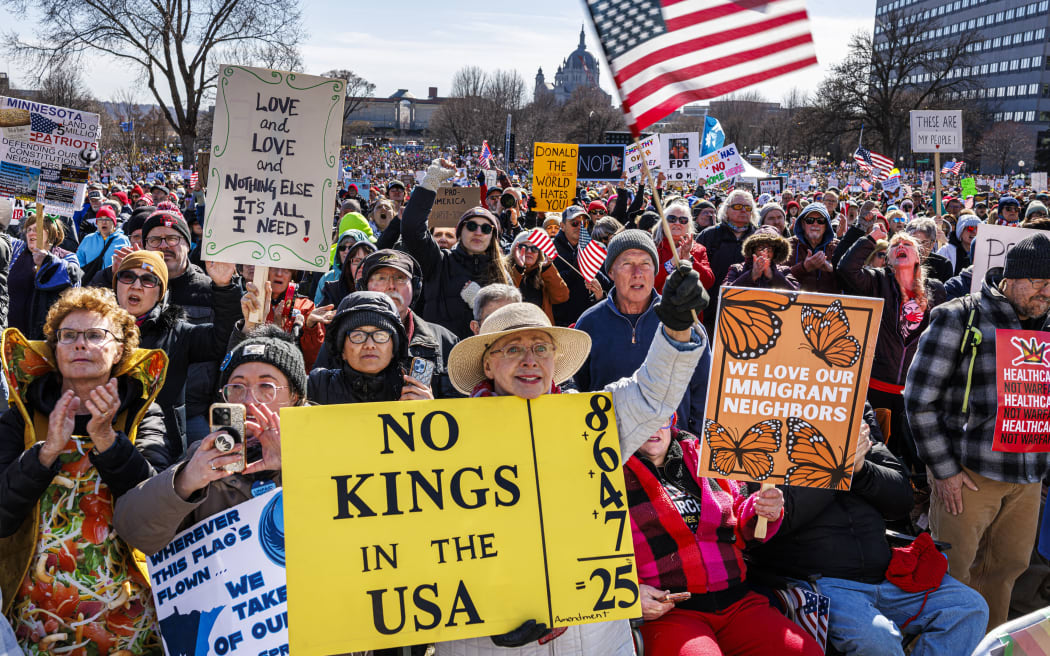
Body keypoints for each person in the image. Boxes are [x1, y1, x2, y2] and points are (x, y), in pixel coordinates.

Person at [435, 259, 708, 655]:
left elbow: (650, 395)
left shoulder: (589, 421)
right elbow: (428, 541)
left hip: (594, 638)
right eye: (513, 349)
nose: (530, 360)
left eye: (541, 348)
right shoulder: (445, 440)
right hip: (488, 640)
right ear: (488, 364)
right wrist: (496, 607)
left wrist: (678, 328)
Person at [0, 286, 170, 654]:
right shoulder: (21, 418)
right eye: (69, 336)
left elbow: (159, 513)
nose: (80, 344)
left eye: (95, 335)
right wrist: (45, 454)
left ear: (120, 349)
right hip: (37, 616)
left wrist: (108, 440)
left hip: (126, 615)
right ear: (54, 349)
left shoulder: (143, 414)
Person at [749, 407, 988, 656]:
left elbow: (902, 502)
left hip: (885, 575)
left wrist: (862, 470)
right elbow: (778, 522)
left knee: (968, 607)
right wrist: (837, 469)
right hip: (818, 584)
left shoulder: (849, 415)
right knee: (878, 638)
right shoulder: (763, 430)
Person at [906, 233, 1050, 631]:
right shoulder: (960, 316)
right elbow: (919, 399)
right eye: (1039, 283)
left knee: (1006, 572)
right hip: (968, 478)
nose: (1046, 294)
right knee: (951, 576)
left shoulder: (1047, 324)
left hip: (1027, 479)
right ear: (1012, 277)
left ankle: (987, 643)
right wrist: (944, 470)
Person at [626, 418, 822, 656]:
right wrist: (629, 594)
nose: (652, 426)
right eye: (642, 417)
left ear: (673, 419)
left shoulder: (706, 455)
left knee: (807, 652)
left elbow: (741, 522)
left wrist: (763, 510)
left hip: (737, 602)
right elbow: (591, 552)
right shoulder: (607, 475)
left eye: (663, 417)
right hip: (671, 612)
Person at [575, 230, 712, 435]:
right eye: (627, 263)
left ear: (655, 271)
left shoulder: (683, 322)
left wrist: (694, 442)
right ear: (611, 272)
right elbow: (578, 391)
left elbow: (703, 389)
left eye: (645, 264)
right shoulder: (589, 323)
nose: (637, 272)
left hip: (670, 452)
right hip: (610, 450)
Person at [839, 222, 945, 472]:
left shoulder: (936, 290)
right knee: (881, 453)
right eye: (896, 245)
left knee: (912, 453)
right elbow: (846, 269)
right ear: (887, 259)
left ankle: (913, 498)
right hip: (877, 386)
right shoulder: (876, 282)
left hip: (914, 390)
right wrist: (870, 239)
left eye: (907, 244)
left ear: (919, 256)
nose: (901, 247)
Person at [113, 250, 240, 457]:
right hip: (106, 440)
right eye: (127, 277)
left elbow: (222, 339)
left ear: (160, 292)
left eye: (148, 280)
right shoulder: (94, 331)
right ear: (116, 284)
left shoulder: (177, 333)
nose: (136, 285)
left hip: (161, 446)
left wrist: (224, 287)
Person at [399, 159, 511, 338]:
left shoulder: (502, 274)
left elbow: (511, 324)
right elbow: (412, 228)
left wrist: (481, 305)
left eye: (486, 228)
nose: (479, 232)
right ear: (460, 232)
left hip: (482, 358)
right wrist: (431, 181)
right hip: (439, 354)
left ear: (493, 237)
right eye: (472, 226)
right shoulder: (440, 262)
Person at [307, 292, 432, 405]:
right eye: (358, 336)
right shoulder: (317, 387)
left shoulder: (411, 391)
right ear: (342, 351)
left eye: (380, 336)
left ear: (394, 349)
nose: (370, 344)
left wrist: (426, 412)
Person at [8, 216, 82, 340]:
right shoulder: (17, 250)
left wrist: (48, 262)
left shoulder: (67, 257)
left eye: (37, 229)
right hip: (11, 332)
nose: (31, 232)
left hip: (45, 337)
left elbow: (74, 282)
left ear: (52, 232)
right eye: (29, 229)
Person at [551, 205, 607, 326]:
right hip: (562, 322)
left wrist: (592, 270)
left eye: (584, 223)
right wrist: (577, 266)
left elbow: (609, 285)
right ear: (562, 226)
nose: (580, 227)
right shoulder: (551, 250)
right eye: (575, 223)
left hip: (591, 319)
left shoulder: (597, 248)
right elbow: (550, 285)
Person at [655, 199, 715, 296]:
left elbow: (708, 282)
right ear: (663, 224)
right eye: (672, 219)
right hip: (659, 307)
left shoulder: (699, 249)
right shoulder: (653, 247)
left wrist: (689, 258)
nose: (677, 223)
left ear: (689, 226)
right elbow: (648, 282)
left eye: (683, 220)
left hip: (690, 308)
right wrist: (671, 263)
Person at [506, 232, 569, 323]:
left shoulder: (544, 272)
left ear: (539, 254)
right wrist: (519, 269)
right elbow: (504, 298)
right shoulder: (505, 270)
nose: (529, 252)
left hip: (540, 329)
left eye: (534, 249)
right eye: (523, 247)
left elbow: (562, 297)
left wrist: (547, 268)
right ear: (514, 251)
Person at [725, 225, 800, 290]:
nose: (765, 253)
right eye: (761, 248)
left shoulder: (784, 271)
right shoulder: (736, 269)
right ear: (753, 250)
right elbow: (724, 294)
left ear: (775, 252)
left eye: (769, 249)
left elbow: (796, 295)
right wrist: (751, 275)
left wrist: (772, 275)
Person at [787, 202, 839, 293]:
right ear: (802, 224)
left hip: (830, 305)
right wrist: (803, 267)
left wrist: (832, 269)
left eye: (820, 220)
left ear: (826, 225)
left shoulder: (837, 248)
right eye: (810, 220)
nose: (815, 224)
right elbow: (777, 278)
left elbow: (851, 280)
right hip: (795, 304)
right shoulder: (788, 246)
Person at [318, 229, 377, 308]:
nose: (361, 266)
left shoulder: (382, 289)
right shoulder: (333, 291)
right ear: (349, 265)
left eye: (365, 260)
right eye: (356, 261)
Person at [75, 205, 130, 281]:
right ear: (97, 223)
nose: (104, 222)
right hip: (91, 284)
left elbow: (127, 263)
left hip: (113, 282)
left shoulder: (123, 239)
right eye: (100, 219)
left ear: (114, 223)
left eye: (107, 219)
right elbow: (79, 260)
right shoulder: (88, 238)